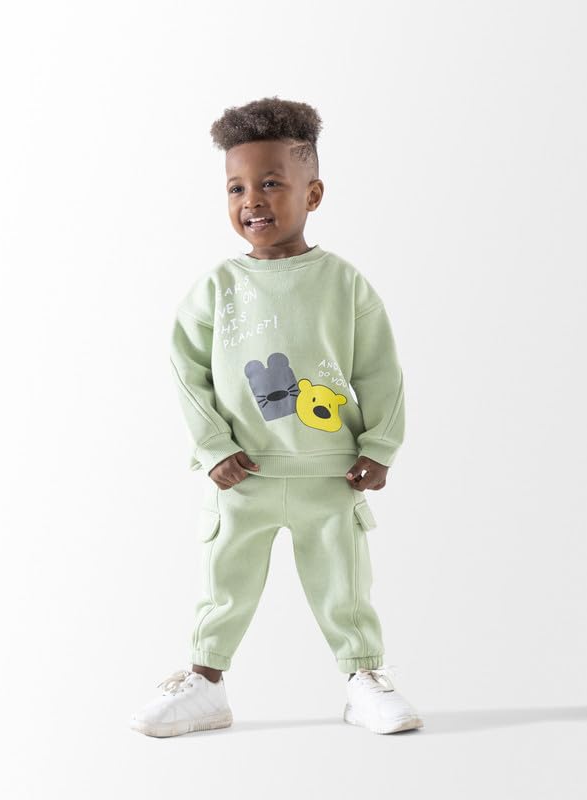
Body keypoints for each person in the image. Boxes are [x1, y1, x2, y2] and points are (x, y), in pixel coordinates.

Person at [130, 96, 423, 737]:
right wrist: (213, 446)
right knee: (224, 584)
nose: (252, 200)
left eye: (270, 183)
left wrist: (379, 445)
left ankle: (363, 679)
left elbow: (381, 369)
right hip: (244, 475)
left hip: (330, 473)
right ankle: (205, 684)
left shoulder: (344, 283)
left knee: (345, 584)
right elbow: (186, 371)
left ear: (312, 193)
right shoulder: (216, 288)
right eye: (236, 187)